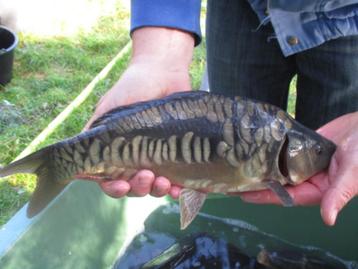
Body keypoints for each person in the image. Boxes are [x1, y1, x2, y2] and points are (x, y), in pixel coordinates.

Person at [85, 0, 358, 227]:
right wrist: (159, 56)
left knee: (337, 177)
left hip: (348, 12)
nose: (324, 150)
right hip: (241, 7)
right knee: (227, 132)